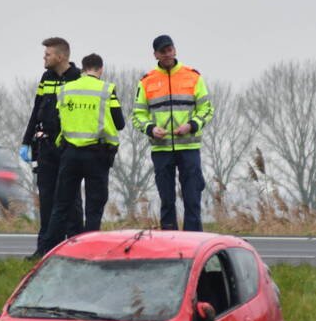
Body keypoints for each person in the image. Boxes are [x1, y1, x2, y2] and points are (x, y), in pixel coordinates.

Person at [42, 53, 125, 250]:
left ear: (82, 68)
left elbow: (56, 119)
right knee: (94, 207)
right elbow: (119, 123)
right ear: (100, 69)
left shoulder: (65, 90)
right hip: (97, 154)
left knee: (61, 205)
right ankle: (89, 250)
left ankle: (48, 250)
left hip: (69, 154)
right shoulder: (106, 90)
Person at [131, 34, 214, 231]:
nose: (167, 54)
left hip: (189, 147)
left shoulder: (193, 76)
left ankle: (193, 239)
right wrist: (150, 128)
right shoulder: (146, 81)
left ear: (175, 50)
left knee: (192, 197)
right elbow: (137, 115)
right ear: (155, 55)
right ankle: (169, 239)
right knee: (166, 199)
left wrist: (192, 125)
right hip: (161, 149)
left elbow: (207, 110)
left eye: (169, 50)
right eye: (163, 51)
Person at [20, 37, 83, 259]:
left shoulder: (77, 78)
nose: (44, 58)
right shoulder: (46, 78)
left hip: (68, 148)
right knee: (46, 199)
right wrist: (27, 141)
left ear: (61, 56)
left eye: (48, 54)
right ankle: (44, 248)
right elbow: (37, 109)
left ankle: (75, 247)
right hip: (45, 147)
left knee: (71, 200)